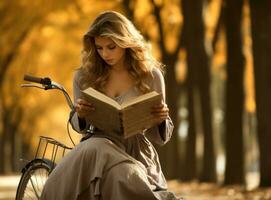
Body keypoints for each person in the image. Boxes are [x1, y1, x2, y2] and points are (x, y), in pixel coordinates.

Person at [41, 10, 180, 200]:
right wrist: (80, 114)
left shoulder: (152, 76)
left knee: (121, 174)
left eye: (111, 47)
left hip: (135, 151)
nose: (104, 54)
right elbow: (77, 125)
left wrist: (160, 120)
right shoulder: (83, 76)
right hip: (96, 146)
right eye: (99, 48)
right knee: (97, 149)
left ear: (125, 41)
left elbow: (161, 138)